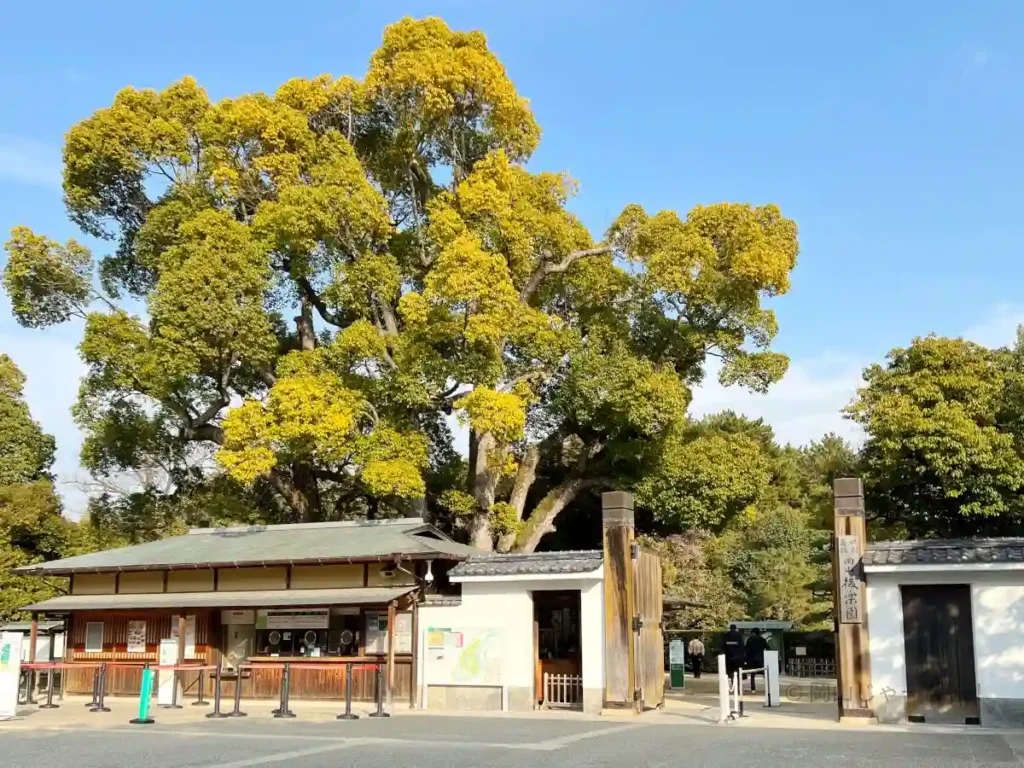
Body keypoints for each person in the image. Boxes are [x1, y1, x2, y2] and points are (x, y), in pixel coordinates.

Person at [744, 627, 769, 693]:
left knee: (752, 675)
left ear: (753, 632)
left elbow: (746, 649)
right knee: (765, 673)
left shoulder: (750, 639)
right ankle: (768, 688)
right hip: (760, 659)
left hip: (752, 659)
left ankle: (753, 689)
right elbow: (768, 648)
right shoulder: (762, 639)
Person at [723, 624, 744, 692]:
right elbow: (741, 646)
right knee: (737, 672)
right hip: (737, 657)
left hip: (728, 657)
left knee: (731, 673)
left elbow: (723, 646)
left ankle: (733, 685)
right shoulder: (739, 635)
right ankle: (737, 686)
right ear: (735, 628)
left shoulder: (726, 635)